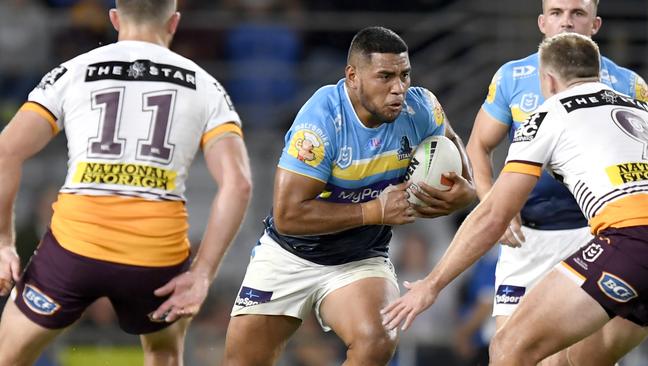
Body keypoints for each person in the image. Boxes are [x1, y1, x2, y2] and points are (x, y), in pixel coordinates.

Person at [0, 1, 252, 364]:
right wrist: (201, 274)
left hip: (75, 249)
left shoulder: (73, 70)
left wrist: (4, 243)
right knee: (164, 353)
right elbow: (239, 183)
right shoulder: (205, 85)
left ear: (115, 19)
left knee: (9, 353)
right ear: (174, 23)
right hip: (156, 257)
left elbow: (7, 150)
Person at [382, 32, 648, 365]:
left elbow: (494, 214)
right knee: (576, 361)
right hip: (633, 246)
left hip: (631, 239)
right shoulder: (640, 108)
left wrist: (432, 285)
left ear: (547, 80)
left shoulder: (550, 113)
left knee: (507, 348)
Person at [222, 26, 476, 366]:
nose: (399, 88)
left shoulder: (421, 108)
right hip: (290, 255)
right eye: (385, 76)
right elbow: (288, 216)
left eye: (404, 75)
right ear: (352, 76)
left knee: (378, 339)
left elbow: (455, 149)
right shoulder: (320, 123)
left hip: (361, 256)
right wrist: (374, 211)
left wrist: (467, 191)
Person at [464, 0, 648, 363]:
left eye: (577, 14)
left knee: (571, 361)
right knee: (507, 352)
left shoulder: (629, 84)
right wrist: (494, 207)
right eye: (557, 13)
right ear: (542, 22)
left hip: (596, 234)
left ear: (595, 24)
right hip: (527, 238)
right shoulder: (512, 77)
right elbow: (478, 146)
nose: (567, 22)